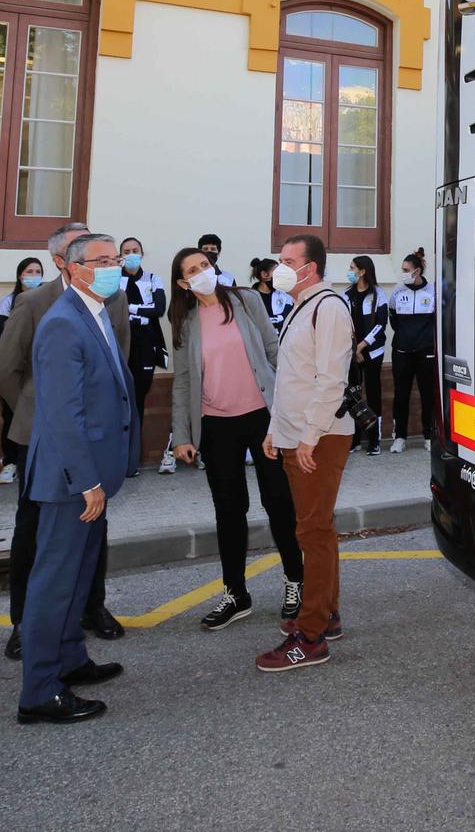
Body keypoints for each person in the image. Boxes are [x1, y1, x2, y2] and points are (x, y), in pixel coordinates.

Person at [0, 223, 128, 660]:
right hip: (52, 444)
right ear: (67, 264)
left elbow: (116, 370)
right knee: (43, 547)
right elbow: (7, 371)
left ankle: (82, 628)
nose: (113, 269)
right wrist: (40, 420)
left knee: (86, 544)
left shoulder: (109, 302)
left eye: (115, 260)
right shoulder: (42, 306)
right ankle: (32, 640)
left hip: (91, 446)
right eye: (102, 261)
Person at [166, 247, 303, 631]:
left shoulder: (245, 301)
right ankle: (235, 593)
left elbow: (274, 351)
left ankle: (296, 581)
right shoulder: (184, 321)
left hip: (262, 417)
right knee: (229, 510)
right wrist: (182, 435)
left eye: (204, 265)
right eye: (192, 270)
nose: (201, 272)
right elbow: (183, 382)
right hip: (215, 425)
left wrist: (288, 409)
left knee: (279, 502)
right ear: (183, 283)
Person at [257, 234, 352, 672]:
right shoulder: (302, 304)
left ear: (310, 267)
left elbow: (331, 379)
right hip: (297, 434)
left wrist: (310, 434)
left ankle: (311, 636)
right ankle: (326, 613)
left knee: (312, 532)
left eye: (288, 260)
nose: (280, 266)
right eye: (280, 259)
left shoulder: (328, 306)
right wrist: (277, 429)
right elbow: (291, 377)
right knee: (317, 528)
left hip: (321, 436)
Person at [0, 256, 45, 485]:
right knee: (12, 416)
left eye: (37, 271)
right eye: (28, 271)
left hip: (40, 370)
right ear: (20, 275)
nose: (33, 276)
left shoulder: (48, 301)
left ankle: (38, 462)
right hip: (15, 371)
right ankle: (10, 463)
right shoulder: (8, 302)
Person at [119, 238, 167, 480]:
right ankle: (118, 458)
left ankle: (133, 459)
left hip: (146, 346)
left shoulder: (152, 279)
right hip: (121, 346)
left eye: (135, 251)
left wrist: (131, 308)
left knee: (138, 400)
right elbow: (111, 308)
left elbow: (159, 309)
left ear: (142, 253)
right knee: (119, 401)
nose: (131, 255)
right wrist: (140, 308)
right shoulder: (114, 279)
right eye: (126, 252)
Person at [387, 248, 439, 452]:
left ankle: (428, 435)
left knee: (427, 394)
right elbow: (394, 320)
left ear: (417, 271)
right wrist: (405, 339)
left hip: (425, 352)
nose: (403, 273)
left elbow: (438, 321)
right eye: (402, 269)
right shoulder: (398, 292)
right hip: (401, 352)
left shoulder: (432, 291)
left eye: (406, 269)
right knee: (401, 394)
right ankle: (399, 436)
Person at [345, 256, 389, 455]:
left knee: (373, 393)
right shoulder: (346, 295)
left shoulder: (378, 294)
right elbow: (345, 326)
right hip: (353, 353)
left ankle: (374, 440)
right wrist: (354, 350)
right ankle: (354, 440)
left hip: (373, 352)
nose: (350, 270)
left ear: (362, 271)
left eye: (352, 267)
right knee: (353, 395)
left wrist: (362, 346)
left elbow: (380, 324)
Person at [250, 258, 294, 337]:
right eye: (277, 273)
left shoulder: (285, 296)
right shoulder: (250, 297)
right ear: (264, 275)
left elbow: (288, 318)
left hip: (280, 343)